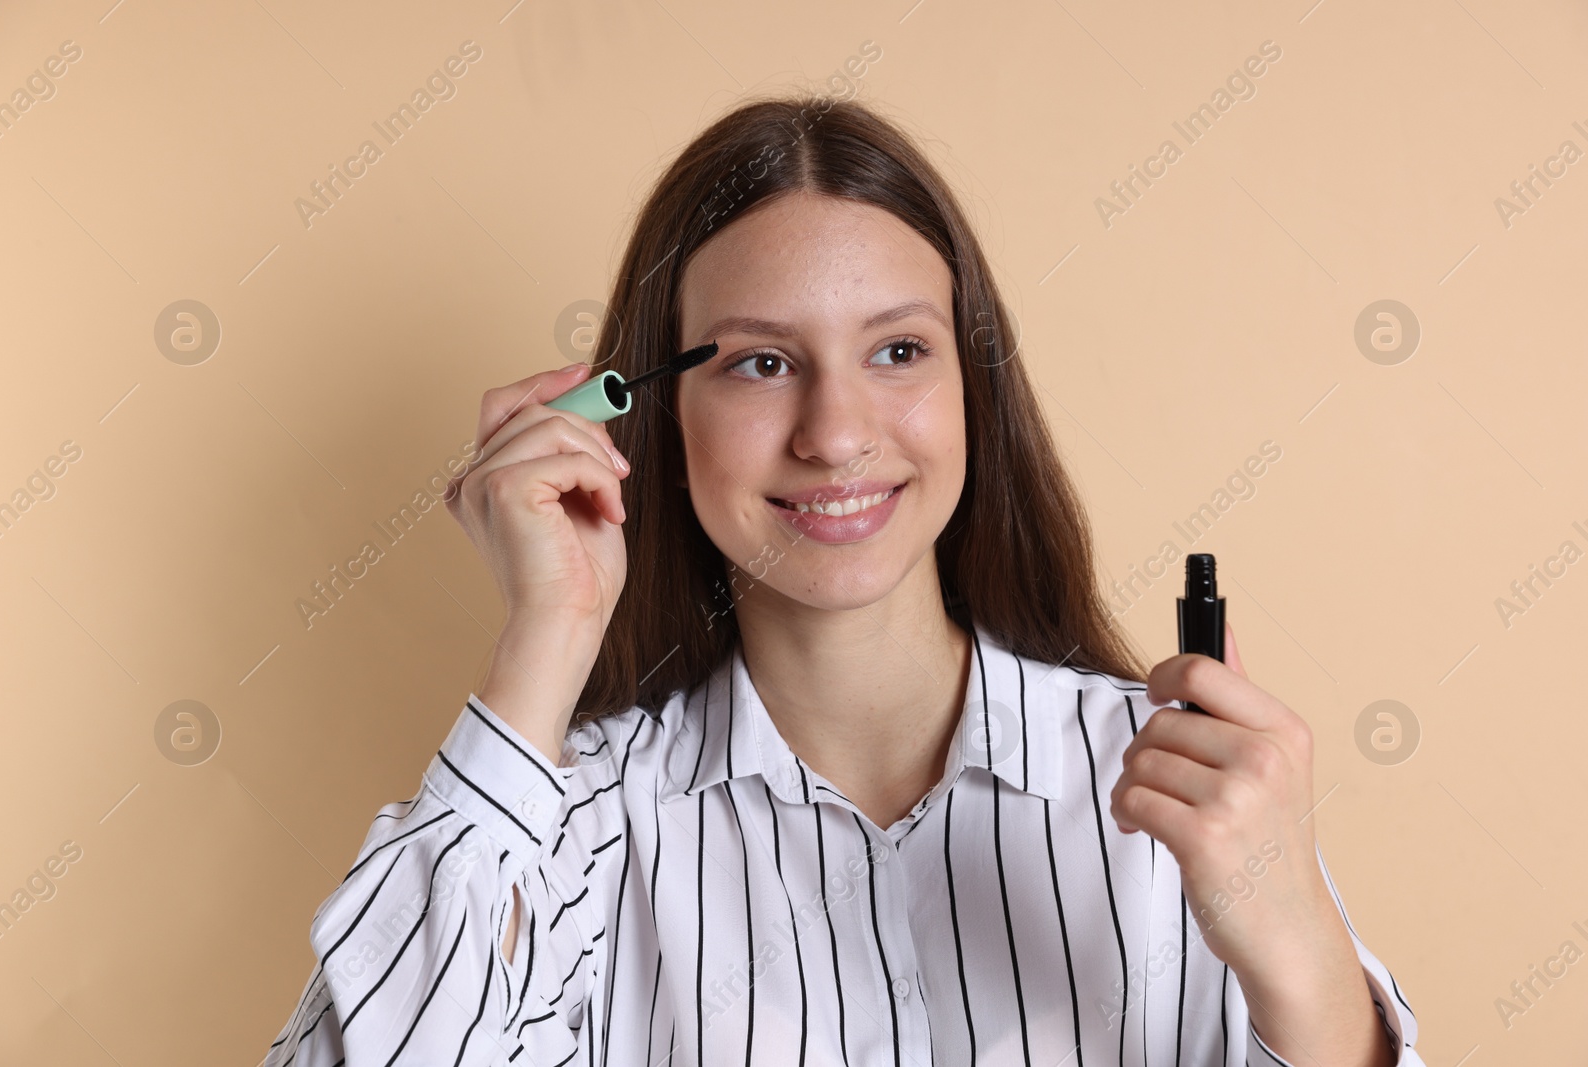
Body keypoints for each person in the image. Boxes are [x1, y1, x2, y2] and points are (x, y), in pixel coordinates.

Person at [264, 93, 1422, 1067]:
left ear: (974, 386)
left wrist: (1298, 943)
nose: (835, 432)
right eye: (762, 362)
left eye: (897, 351)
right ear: (658, 411)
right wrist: (546, 634)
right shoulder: (569, 833)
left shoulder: (1183, 789)